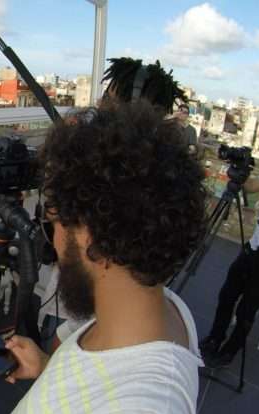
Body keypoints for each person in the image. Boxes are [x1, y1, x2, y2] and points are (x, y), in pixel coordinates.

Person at [0, 101, 207, 414]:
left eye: (52, 222)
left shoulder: (143, 413)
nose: (54, 242)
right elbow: (97, 387)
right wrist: (48, 367)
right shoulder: (155, 305)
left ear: (89, 235)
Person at [48, 56, 189, 351]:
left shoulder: (114, 172)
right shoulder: (165, 163)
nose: (101, 105)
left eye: (109, 99)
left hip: (102, 296)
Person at [200, 149, 259, 368]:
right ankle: (214, 338)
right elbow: (253, 187)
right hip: (254, 246)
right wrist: (240, 169)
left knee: (246, 310)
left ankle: (228, 353)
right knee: (227, 294)